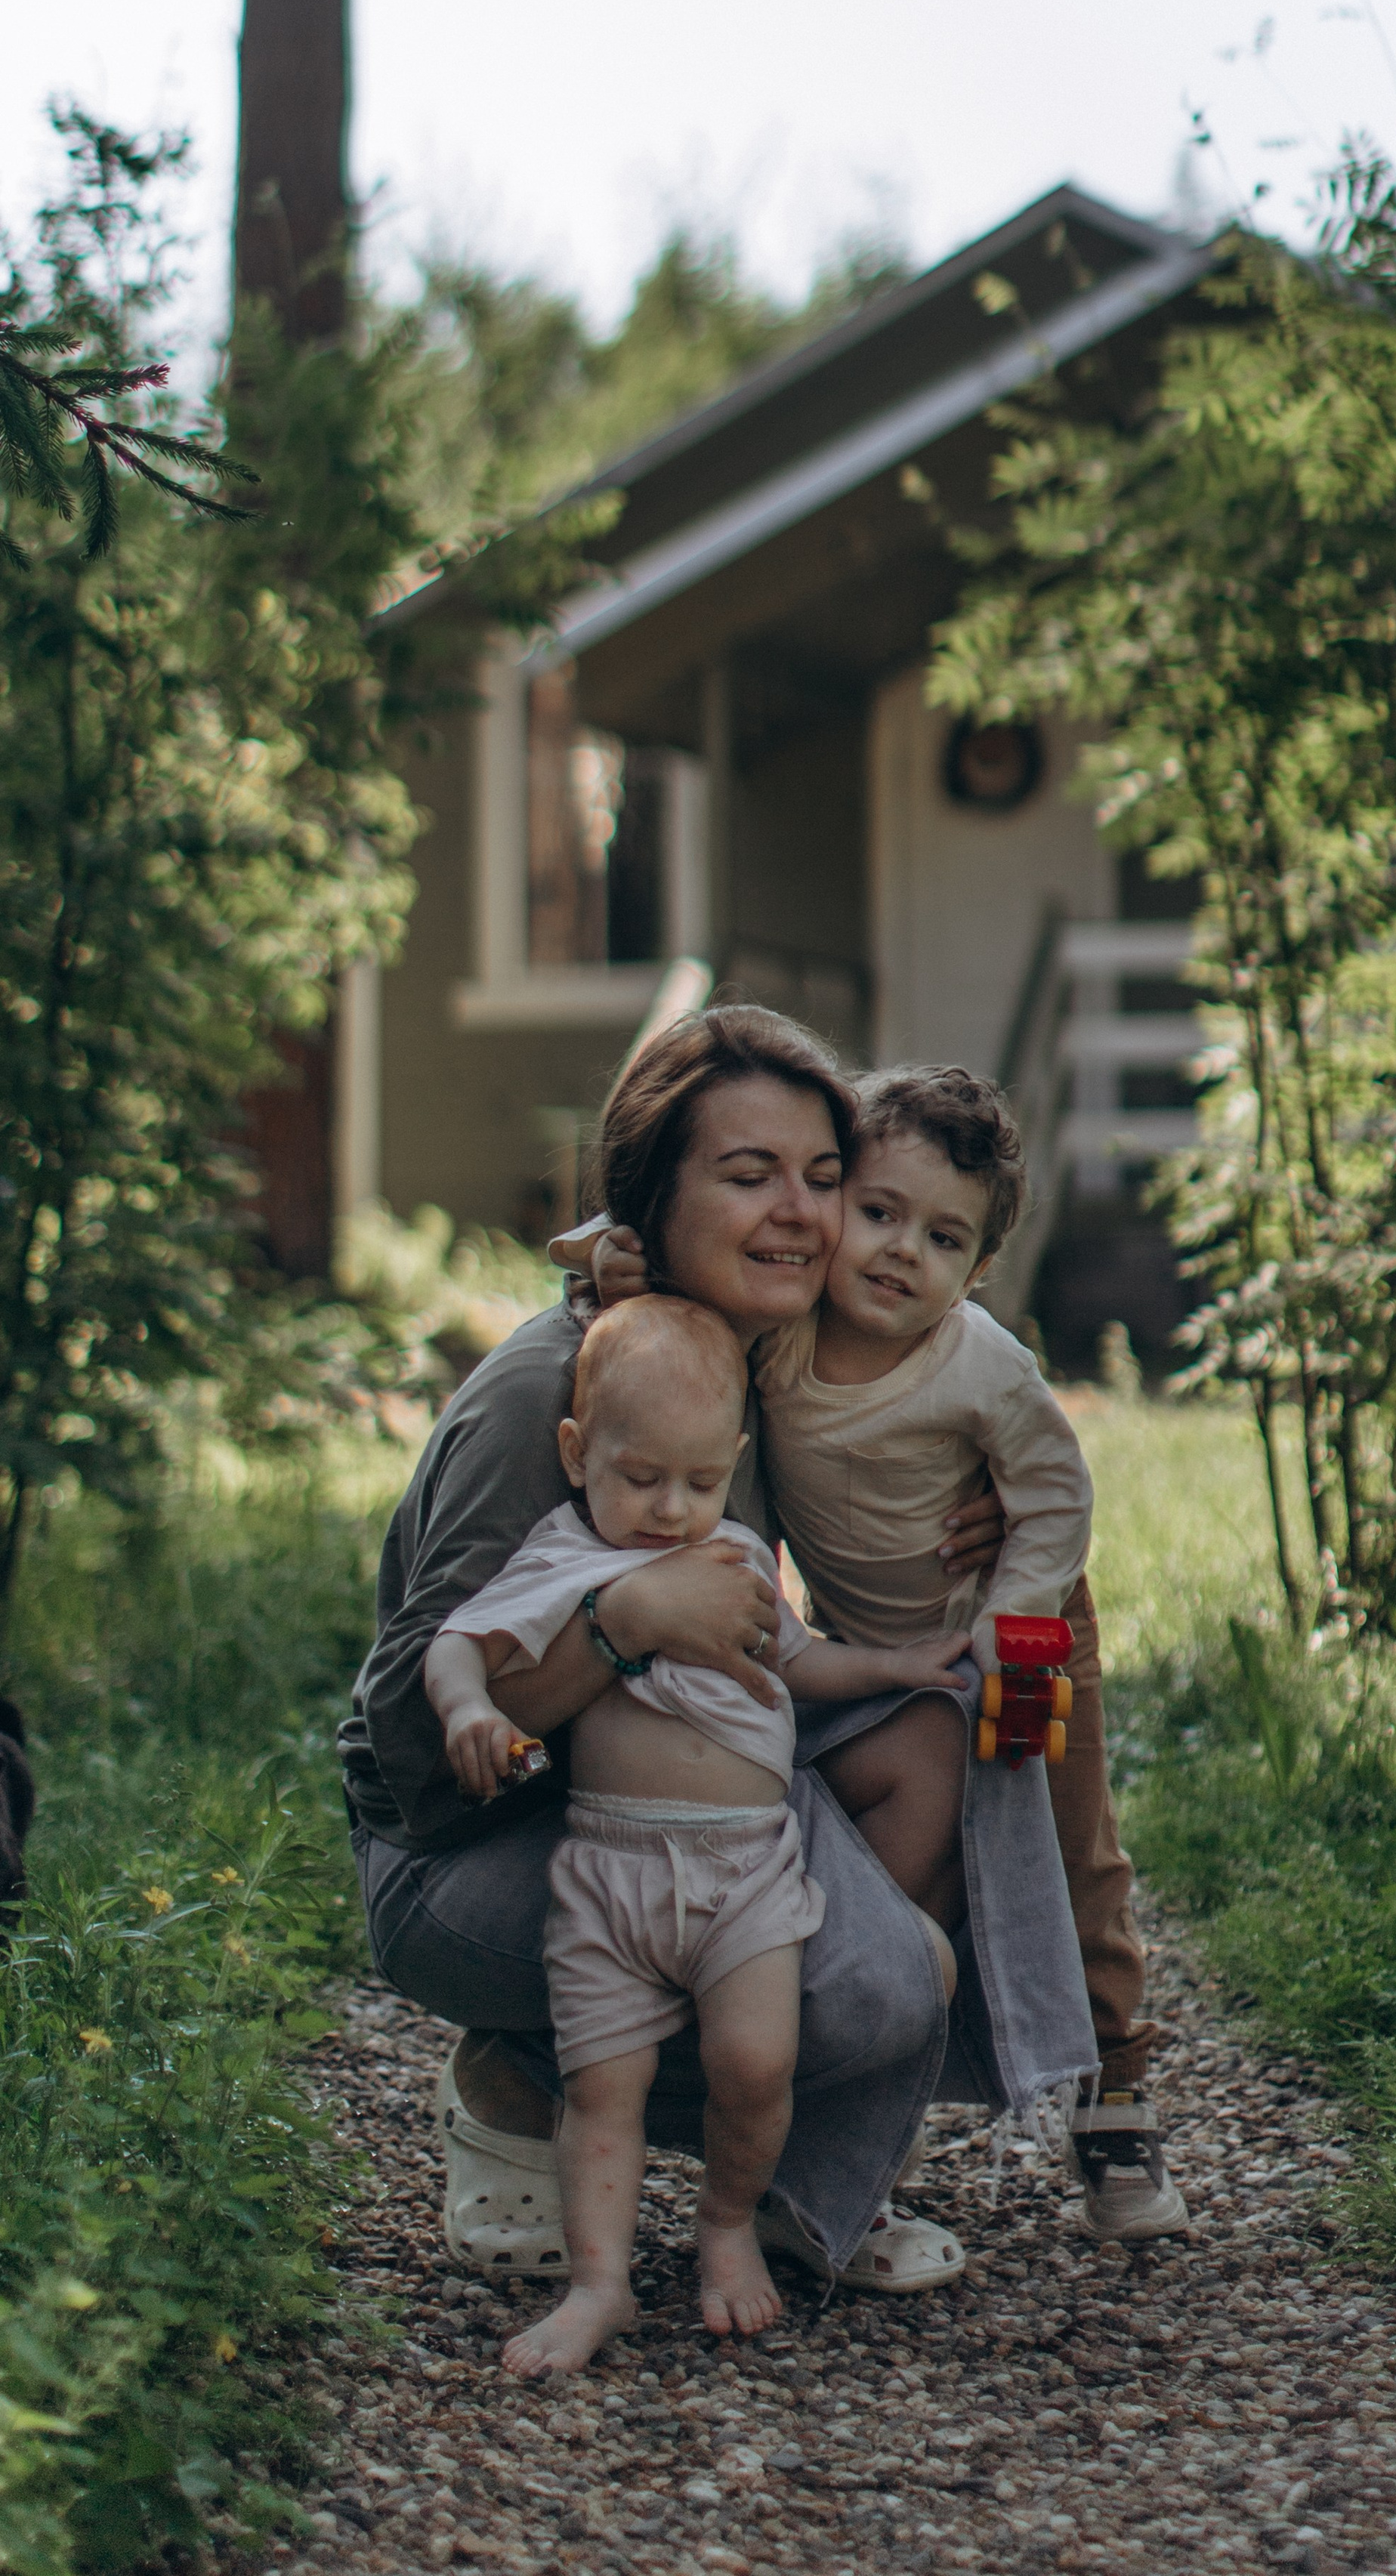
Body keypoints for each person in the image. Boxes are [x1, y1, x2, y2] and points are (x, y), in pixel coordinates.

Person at [340, 1006, 993, 2293]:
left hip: (674, 1797)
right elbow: (410, 1751)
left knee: (916, 1811)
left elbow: (940, 1317)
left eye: (821, 1179)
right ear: (649, 1201)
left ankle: (804, 2169)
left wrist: (987, 1488)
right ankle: (518, 2079)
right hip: (468, 1852)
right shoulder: (554, 1395)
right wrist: (621, 1627)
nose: (799, 1214)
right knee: (838, 1991)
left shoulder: (761, 1359)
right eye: (747, 1177)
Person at [568, 1062, 1188, 2241]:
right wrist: (608, 1260)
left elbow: (1054, 1491)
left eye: (943, 1237)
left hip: (1028, 1624)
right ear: (837, 1202)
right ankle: (852, 2095)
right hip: (873, 1644)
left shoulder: (978, 1364)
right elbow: (680, 1285)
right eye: (880, 1213)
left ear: (981, 1271)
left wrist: (1018, 1617)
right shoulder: (784, 1330)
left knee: (1070, 1850)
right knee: (895, 1854)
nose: (901, 1252)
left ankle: (1118, 2093)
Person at [425, 1295, 972, 2366]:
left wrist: (894, 1665)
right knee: (604, 2090)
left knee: (758, 2060)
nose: (671, 1509)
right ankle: (599, 2285)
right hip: (610, 1872)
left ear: (732, 1462)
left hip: (747, 1871)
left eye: (701, 1480)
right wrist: (472, 1712)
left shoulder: (733, 1555)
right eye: (641, 1479)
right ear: (578, 1454)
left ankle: (728, 2222)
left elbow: (799, 1666)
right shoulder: (564, 1555)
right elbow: (458, 1642)